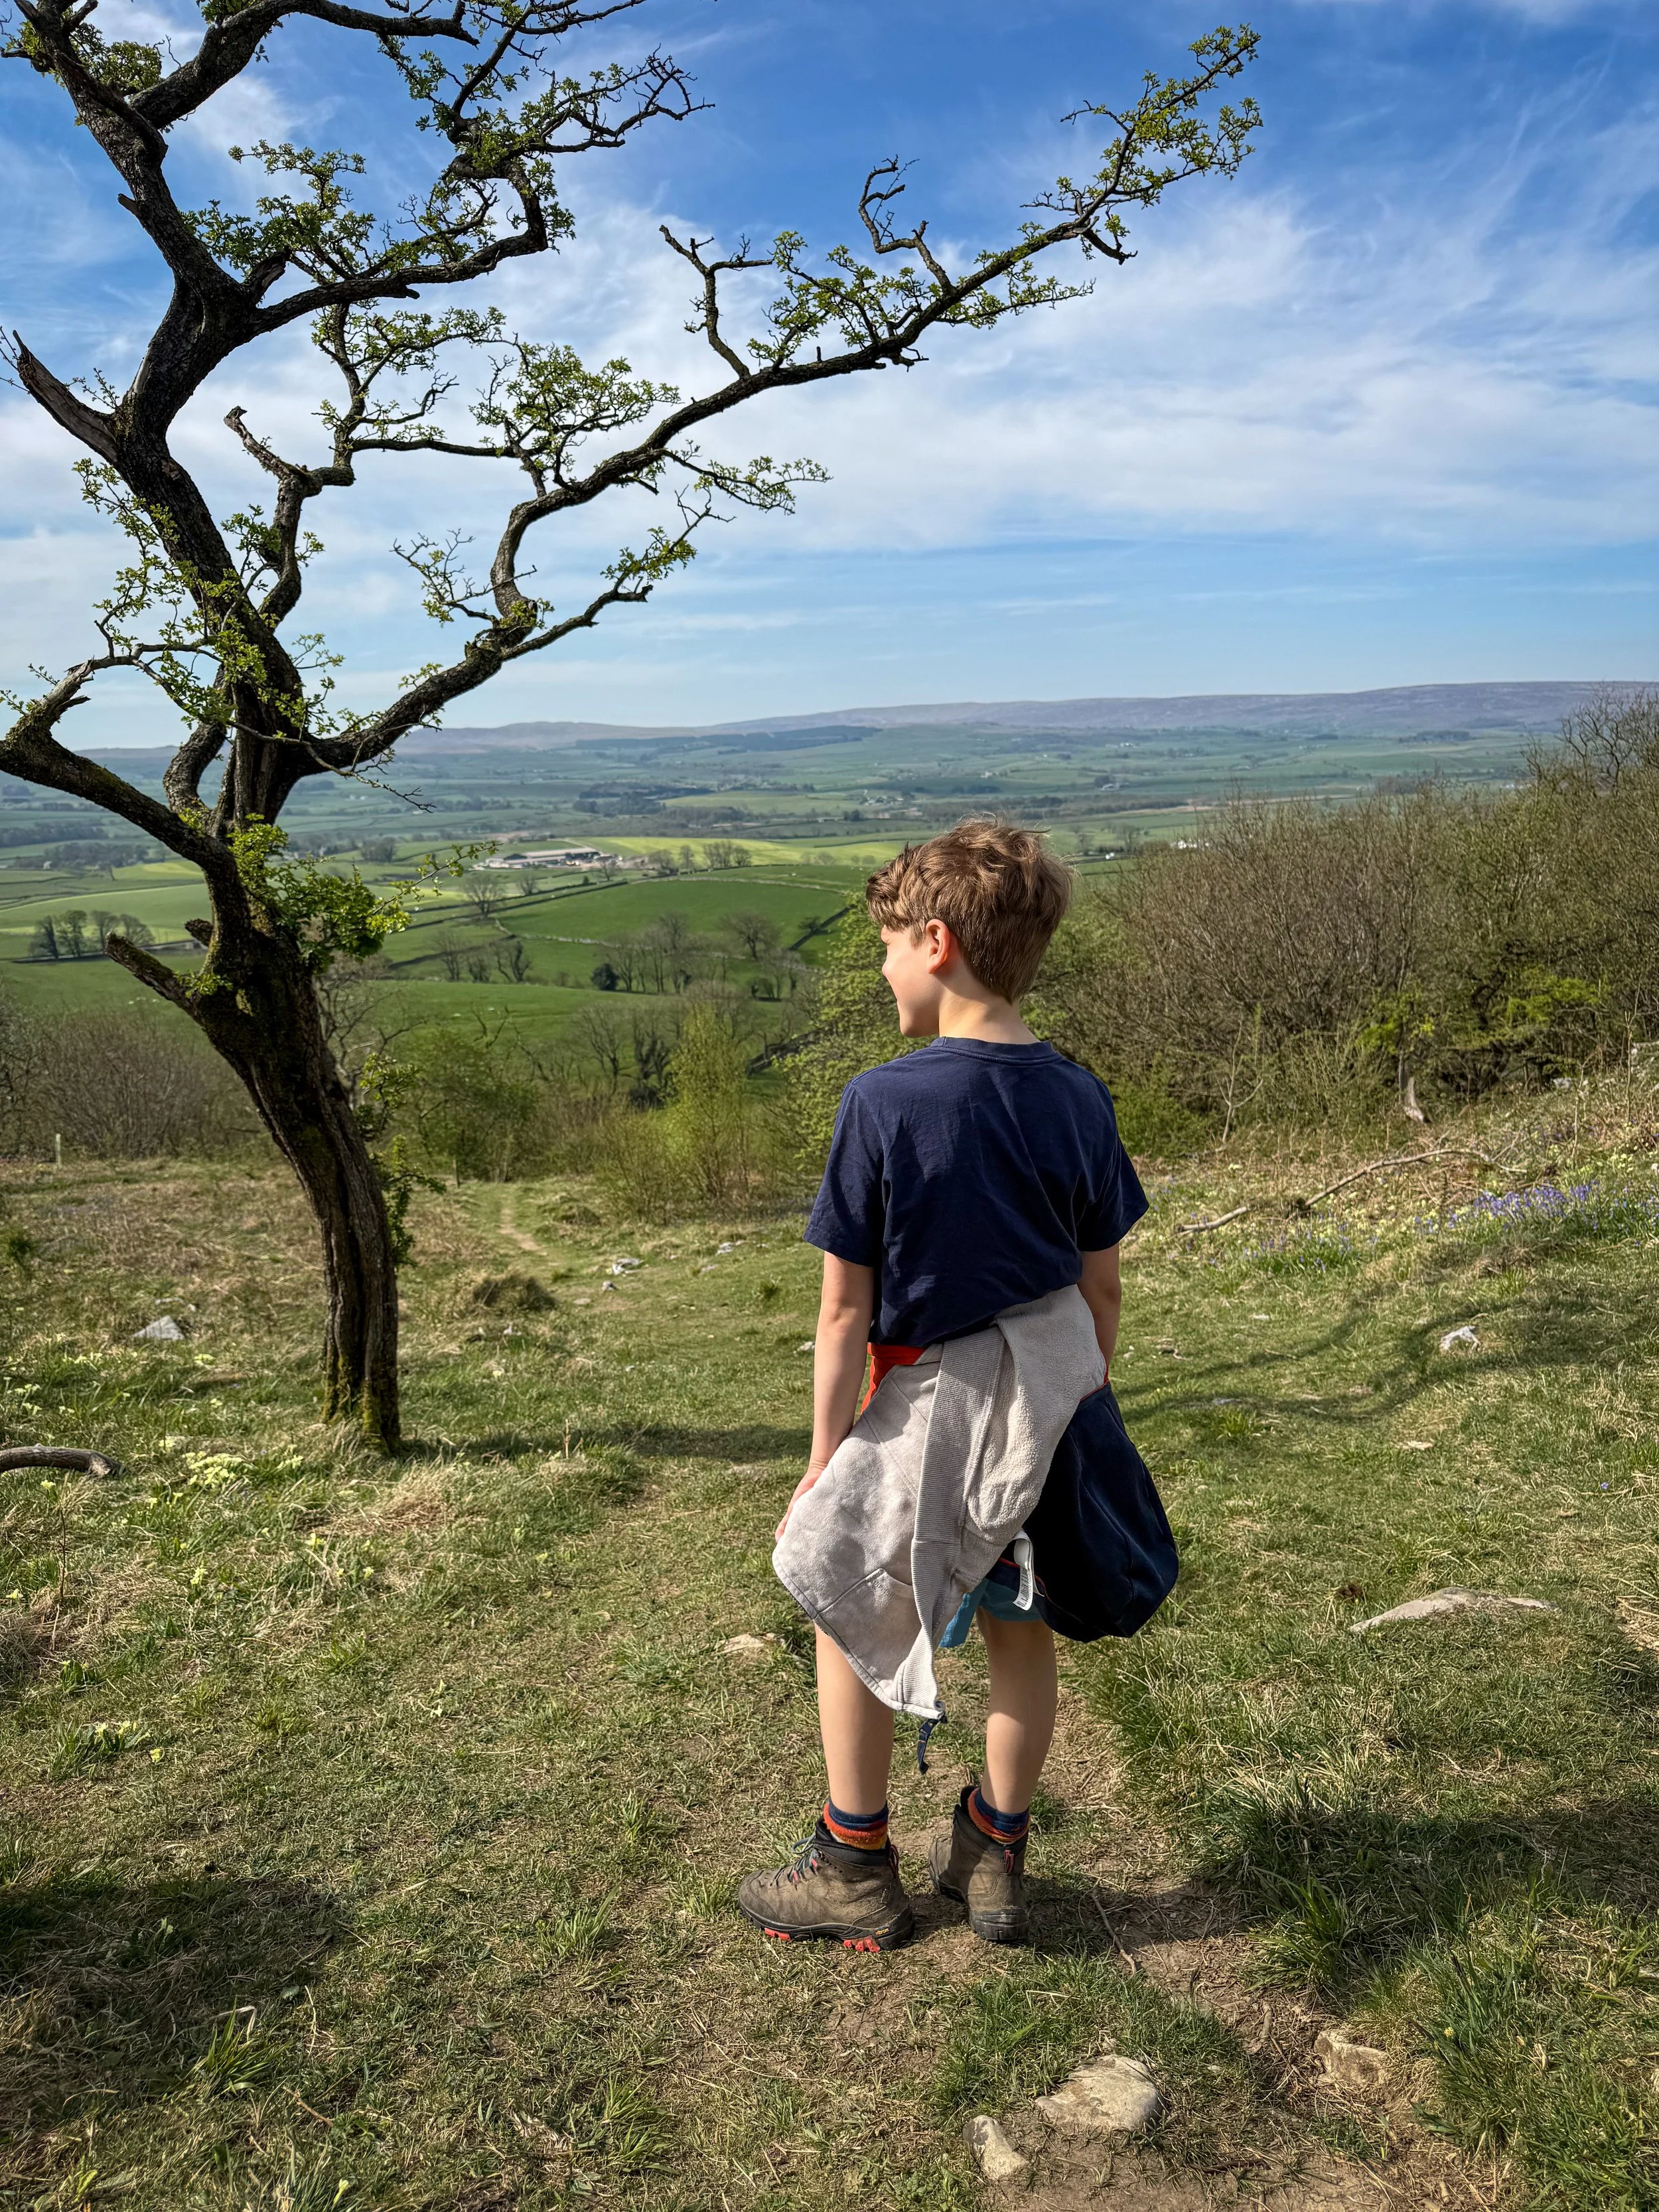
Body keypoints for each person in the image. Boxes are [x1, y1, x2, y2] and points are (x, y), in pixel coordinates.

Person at [738, 820, 1151, 1952]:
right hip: (1050, 1410)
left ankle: (852, 1861)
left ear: (935, 943)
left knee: (843, 1588)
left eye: (884, 946)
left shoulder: (886, 1103)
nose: (880, 970)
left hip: (928, 1405)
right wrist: (1074, 1407)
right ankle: (993, 1854)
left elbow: (841, 1312)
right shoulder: (1078, 1094)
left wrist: (823, 1462)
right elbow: (1100, 1288)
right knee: (1023, 1630)